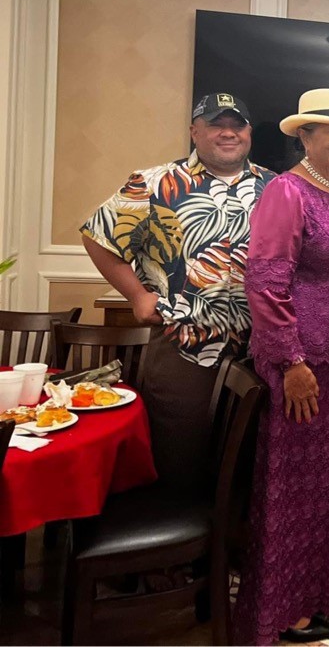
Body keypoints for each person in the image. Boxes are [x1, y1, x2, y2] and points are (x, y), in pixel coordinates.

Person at [233, 89, 329, 645]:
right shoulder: (286, 191)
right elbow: (265, 281)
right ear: (304, 136)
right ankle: (288, 606)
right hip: (303, 364)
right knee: (296, 486)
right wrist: (293, 361)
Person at [80, 93, 275, 491]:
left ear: (249, 132)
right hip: (183, 340)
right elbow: (97, 237)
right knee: (178, 456)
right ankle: (178, 548)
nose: (227, 132)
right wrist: (137, 296)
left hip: (261, 346)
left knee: (251, 455)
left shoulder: (277, 188)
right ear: (194, 131)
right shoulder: (152, 183)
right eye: (216, 123)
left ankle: (234, 546)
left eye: (237, 124)